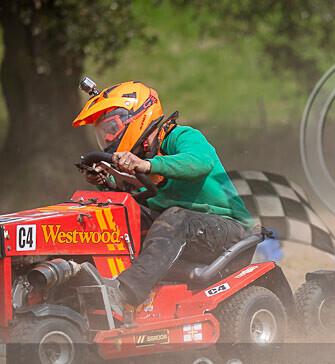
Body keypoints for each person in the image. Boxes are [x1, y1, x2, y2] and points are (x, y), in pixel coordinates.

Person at [72, 80, 253, 316]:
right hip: (185, 228)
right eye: (103, 134)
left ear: (138, 117)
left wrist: (148, 165)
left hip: (227, 228)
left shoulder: (182, 136)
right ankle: (77, 279)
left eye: (111, 129)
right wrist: (105, 184)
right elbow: (138, 201)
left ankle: (122, 292)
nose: (107, 140)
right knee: (115, 213)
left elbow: (200, 163)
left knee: (175, 217)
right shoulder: (140, 157)